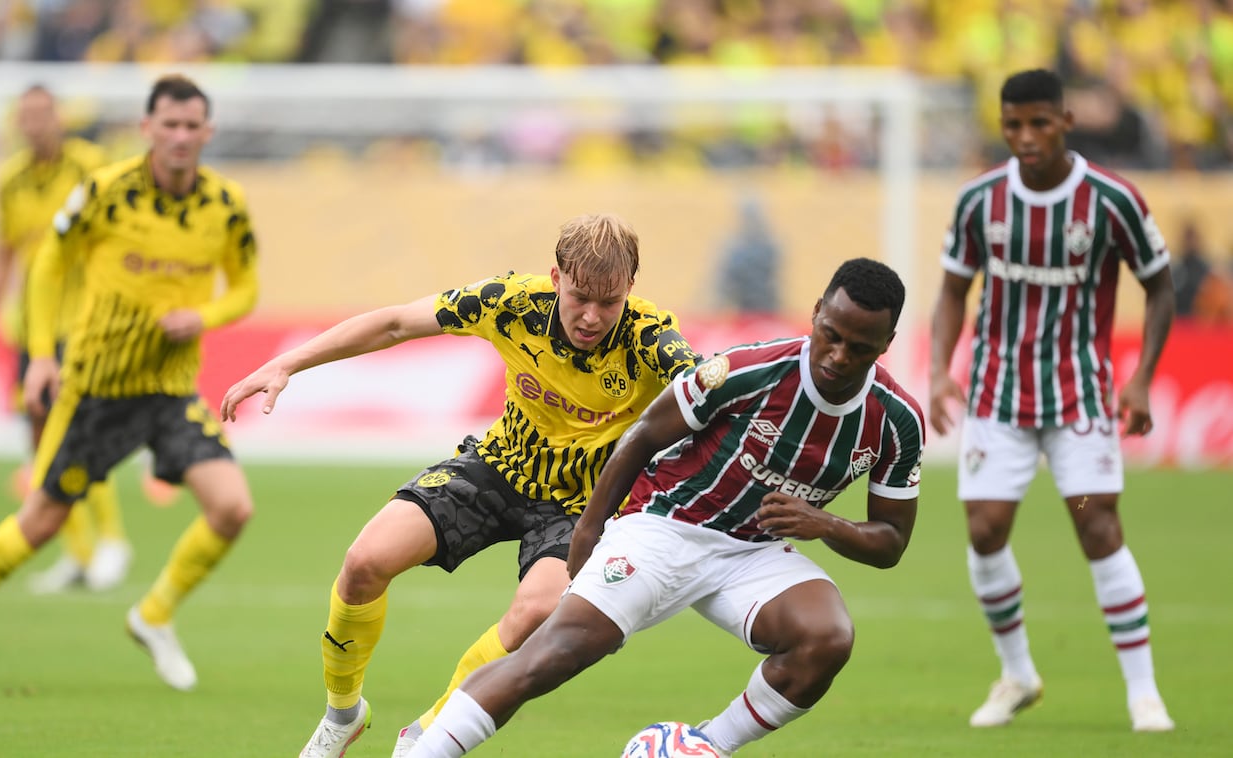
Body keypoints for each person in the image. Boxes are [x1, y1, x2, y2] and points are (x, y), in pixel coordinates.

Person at [218, 213, 701, 758]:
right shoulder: (510, 301)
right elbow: (397, 323)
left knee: (537, 614)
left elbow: (714, 398)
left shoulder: (652, 339)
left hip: (582, 504)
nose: (591, 317)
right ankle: (342, 715)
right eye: (579, 297)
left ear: (630, 289)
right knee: (363, 562)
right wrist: (287, 363)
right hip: (501, 465)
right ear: (556, 276)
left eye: (608, 303)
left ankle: (428, 734)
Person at [407, 257, 924, 758]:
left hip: (753, 553)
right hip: (666, 523)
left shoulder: (897, 420)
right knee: (555, 654)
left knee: (826, 638)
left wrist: (824, 523)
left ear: (887, 344)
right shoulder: (747, 370)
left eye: (860, 348)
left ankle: (702, 748)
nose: (838, 356)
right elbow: (645, 433)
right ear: (816, 313)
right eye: (831, 334)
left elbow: (890, 543)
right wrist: (588, 532)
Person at [0, 74, 260, 693]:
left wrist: (202, 317)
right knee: (42, 521)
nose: (180, 137)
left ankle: (153, 615)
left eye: (191, 127)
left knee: (232, 507)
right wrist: (42, 354)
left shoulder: (226, 205)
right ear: (147, 128)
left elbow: (245, 287)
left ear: (207, 133)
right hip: (97, 387)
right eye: (169, 125)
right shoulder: (104, 191)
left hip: (169, 390)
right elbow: (47, 263)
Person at [928, 68, 1176, 732]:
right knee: (983, 531)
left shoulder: (1112, 199)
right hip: (995, 394)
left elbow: (1159, 285)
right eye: (1013, 125)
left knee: (1097, 528)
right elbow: (952, 289)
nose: (1025, 137)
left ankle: (1142, 692)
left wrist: (1142, 377)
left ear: (1066, 122)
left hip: (1080, 397)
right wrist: (937, 372)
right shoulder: (979, 200)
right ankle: (1016, 675)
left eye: (1039, 122)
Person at [0, 84, 133, 595]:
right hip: (33, 328)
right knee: (41, 438)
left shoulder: (91, 165)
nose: (34, 124)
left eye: (42, 114)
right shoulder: (12, 180)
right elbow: (4, 252)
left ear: (58, 117)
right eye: (26, 116)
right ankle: (75, 551)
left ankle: (113, 541)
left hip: (85, 324)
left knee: (81, 430)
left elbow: (121, 235)